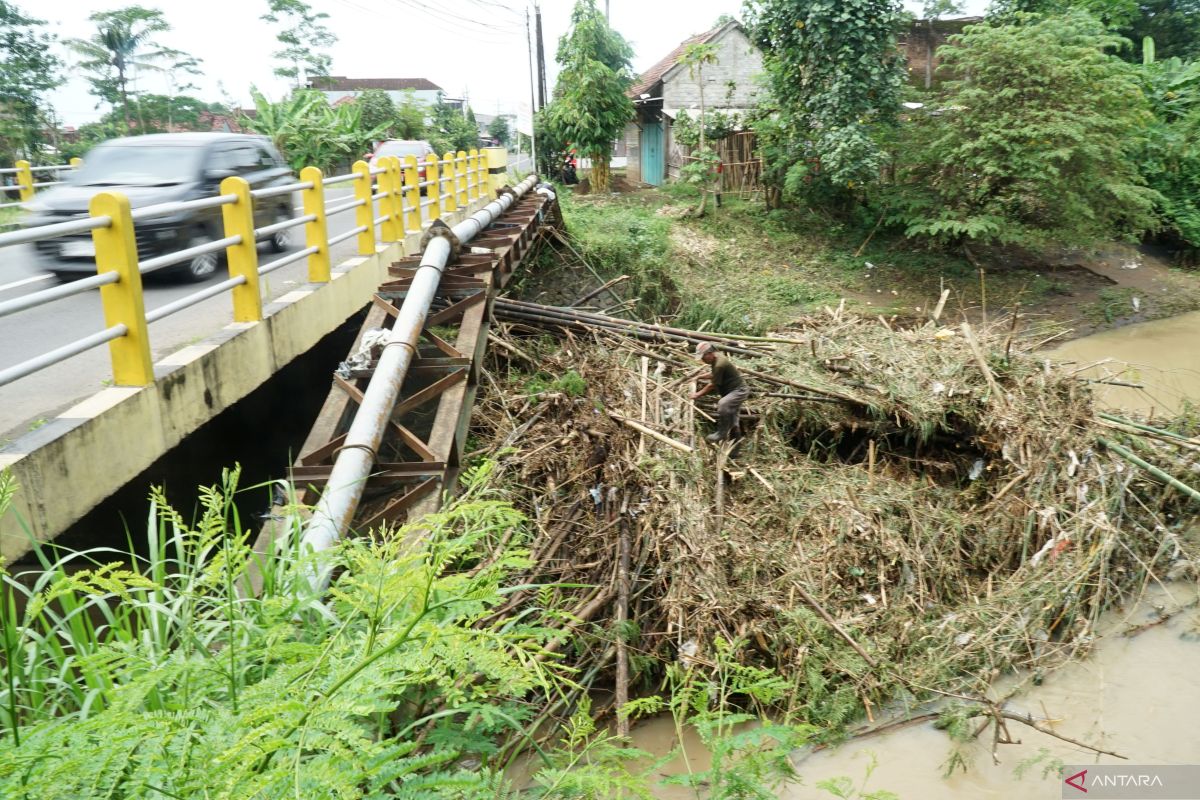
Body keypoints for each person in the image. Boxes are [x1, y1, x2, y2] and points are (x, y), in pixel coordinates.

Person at [690, 342, 751, 443]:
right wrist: (699, 376)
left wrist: (697, 394)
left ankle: (721, 433)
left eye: (703, 357)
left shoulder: (719, 364)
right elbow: (714, 374)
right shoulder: (717, 359)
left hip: (739, 391)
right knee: (733, 422)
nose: (702, 360)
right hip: (732, 392)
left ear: (710, 353)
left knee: (723, 404)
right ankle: (734, 452)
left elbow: (712, 384)